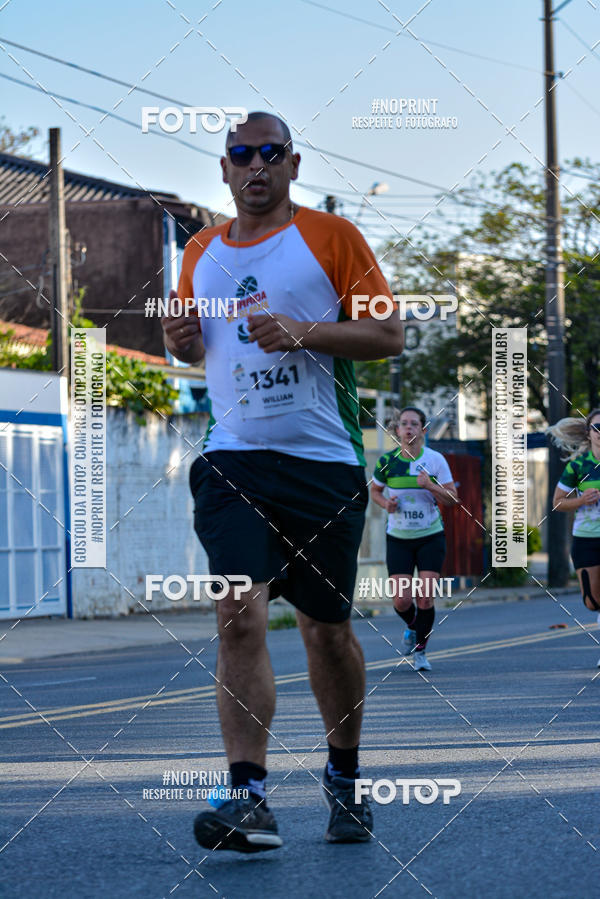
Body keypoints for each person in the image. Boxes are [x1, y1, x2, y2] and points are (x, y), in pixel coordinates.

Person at [161, 111, 403, 852]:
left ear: (293, 164)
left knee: (326, 631)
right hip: (233, 458)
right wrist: (176, 341)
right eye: (241, 155)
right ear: (225, 169)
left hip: (323, 462)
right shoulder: (200, 250)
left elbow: (387, 335)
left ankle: (344, 779)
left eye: (270, 153)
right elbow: (197, 352)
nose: (255, 165)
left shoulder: (332, 238)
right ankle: (248, 797)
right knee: (238, 612)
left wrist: (303, 331)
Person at [370, 406, 458, 672]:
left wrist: (430, 485)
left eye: (414, 424)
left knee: (426, 598)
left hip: (430, 535)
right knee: (401, 601)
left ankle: (420, 652)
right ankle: (411, 627)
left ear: (423, 430)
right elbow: (375, 491)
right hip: (399, 538)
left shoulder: (435, 460)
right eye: (403, 424)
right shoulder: (387, 461)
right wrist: (387, 505)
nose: (408, 428)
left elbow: (454, 499)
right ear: (397, 430)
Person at [549, 408, 600, 667]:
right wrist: (581, 500)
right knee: (592, 603)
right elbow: (558, 503)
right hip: (587, 537)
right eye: (597, 428)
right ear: (588, 433)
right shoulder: (578, 466)